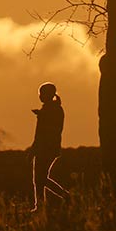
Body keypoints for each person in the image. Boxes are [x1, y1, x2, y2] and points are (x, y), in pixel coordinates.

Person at [29, 81, 70, 211]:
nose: (40, 96)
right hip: (49, 148)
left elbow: (43, 132)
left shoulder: (52, 110)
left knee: (39, 179)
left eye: (42, 94)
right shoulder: (52, 109)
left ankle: (63, 197)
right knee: (40, 178)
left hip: (46, 148)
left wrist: (33, 150)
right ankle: (41, 205)